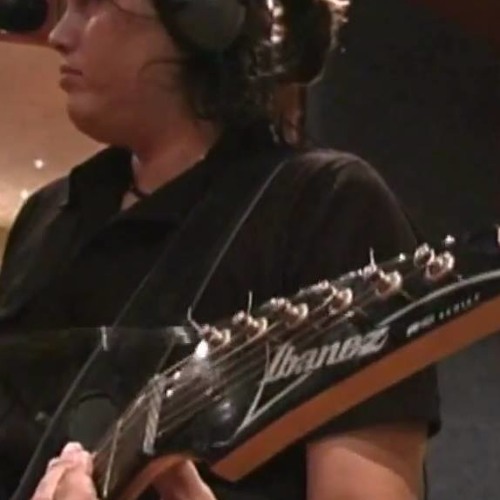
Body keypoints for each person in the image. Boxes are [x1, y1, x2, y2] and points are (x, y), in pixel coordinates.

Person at [0, 0, 440, 498]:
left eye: (88, 5)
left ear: (204, 17)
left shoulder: (326, 206)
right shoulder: (47, 214)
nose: (59, 35)